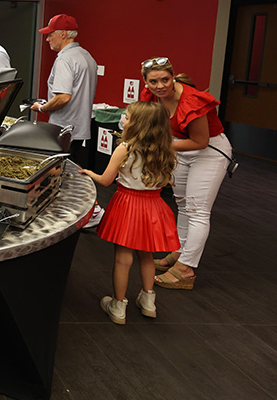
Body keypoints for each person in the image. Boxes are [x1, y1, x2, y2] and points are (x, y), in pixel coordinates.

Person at [79, 101, 180, 324]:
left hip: (128, 205)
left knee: (123, 259)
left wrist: (88, 173)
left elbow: (106, 181)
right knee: (146, 255)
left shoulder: (125, 148)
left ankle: (118, 306)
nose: (123, 120)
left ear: (139, 124)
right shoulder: (165, 149)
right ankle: (148, 301)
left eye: (127, 116)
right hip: (154, 207)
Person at [138, 57, 233, 291]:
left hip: (209, 150)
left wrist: (160, 145)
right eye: (154, 81)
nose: (160, 86)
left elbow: (200, 141)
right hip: (180, 147)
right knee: (181, 203)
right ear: (146, 82)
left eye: (165, 79)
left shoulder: (191, 100)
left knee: (197, 210)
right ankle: (179, 251)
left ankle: (186, 268)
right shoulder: (151, 95)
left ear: (173, 77)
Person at [30, 14, 102, 228]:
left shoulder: (64, 59)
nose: (47, 39)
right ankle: (87, 211)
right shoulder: (86, 56)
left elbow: (63, 97)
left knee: (63, 173)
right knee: (74, 171)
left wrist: (42, 107)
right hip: (80, 126)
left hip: (64, 127)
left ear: (63, 34)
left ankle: (91, 211)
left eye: (50, 34)